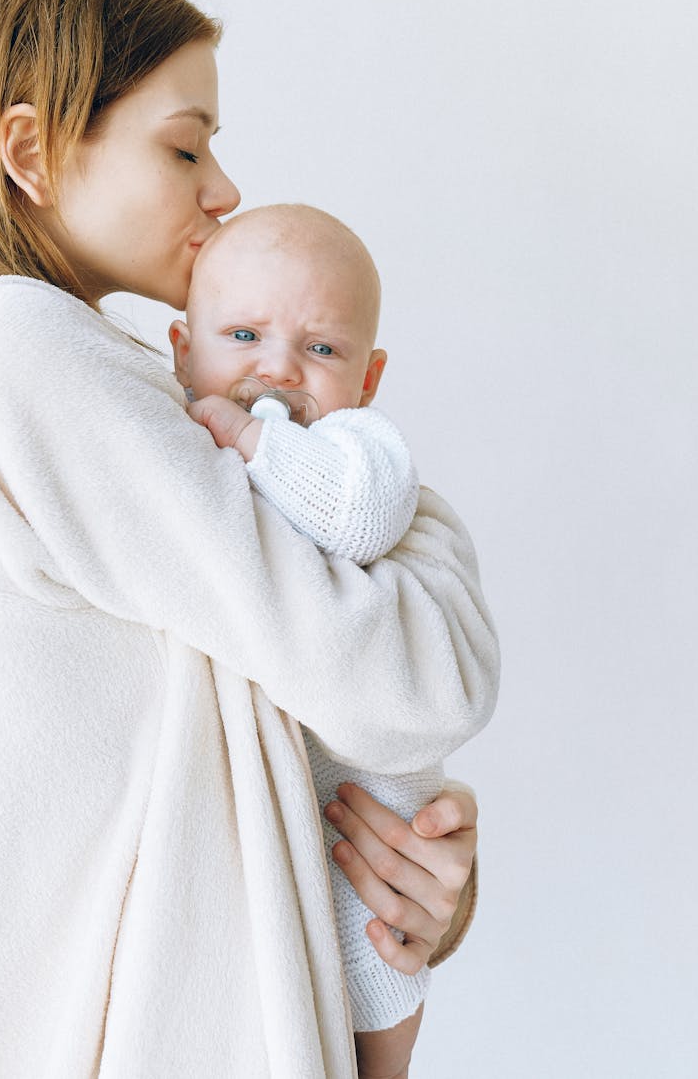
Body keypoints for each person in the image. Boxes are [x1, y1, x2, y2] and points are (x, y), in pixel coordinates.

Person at [0, 0, 499, 1079]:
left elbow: (273, 702)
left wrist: (402, 882)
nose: (223, 190)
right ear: (27, 148)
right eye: (184, 144)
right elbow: (422, 684)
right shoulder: (11, 352)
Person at [168, 202, 479, 1044]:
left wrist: (254, 442)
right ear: (179, 349)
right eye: (241, 336)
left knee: (379, 977)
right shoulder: (159, 438)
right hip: (273, 843)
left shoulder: (360, 451)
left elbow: (357, 519)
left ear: (368, 380)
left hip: (367, 809)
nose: (279, 372)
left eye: (322, 350)